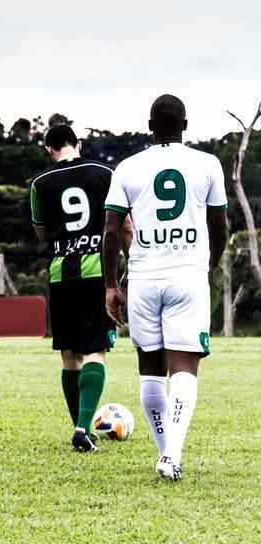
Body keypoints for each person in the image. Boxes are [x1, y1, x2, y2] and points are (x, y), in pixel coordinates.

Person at [102, 94, 229, 481]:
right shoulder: (207, 164)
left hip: (143, 276)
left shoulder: (127, 167)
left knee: (151, 371)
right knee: (185, 368)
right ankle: (171, 456)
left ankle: (164, 453)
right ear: (186, 125)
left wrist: (110, 285)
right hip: (187, 275)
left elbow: (110, 231)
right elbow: (220, 225)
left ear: (149, 125)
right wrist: (210, 263)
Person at [28, 125, 132, 452]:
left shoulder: (40, 183)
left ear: (49, 149)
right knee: (96, 350)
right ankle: (82, 427)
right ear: (79, 143)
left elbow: (41, 233)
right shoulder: (104, 173)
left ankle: (80, 427)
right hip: (95, 269)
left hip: (61, 271)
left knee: (69, 354)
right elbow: (124, 226)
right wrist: (131, 264)